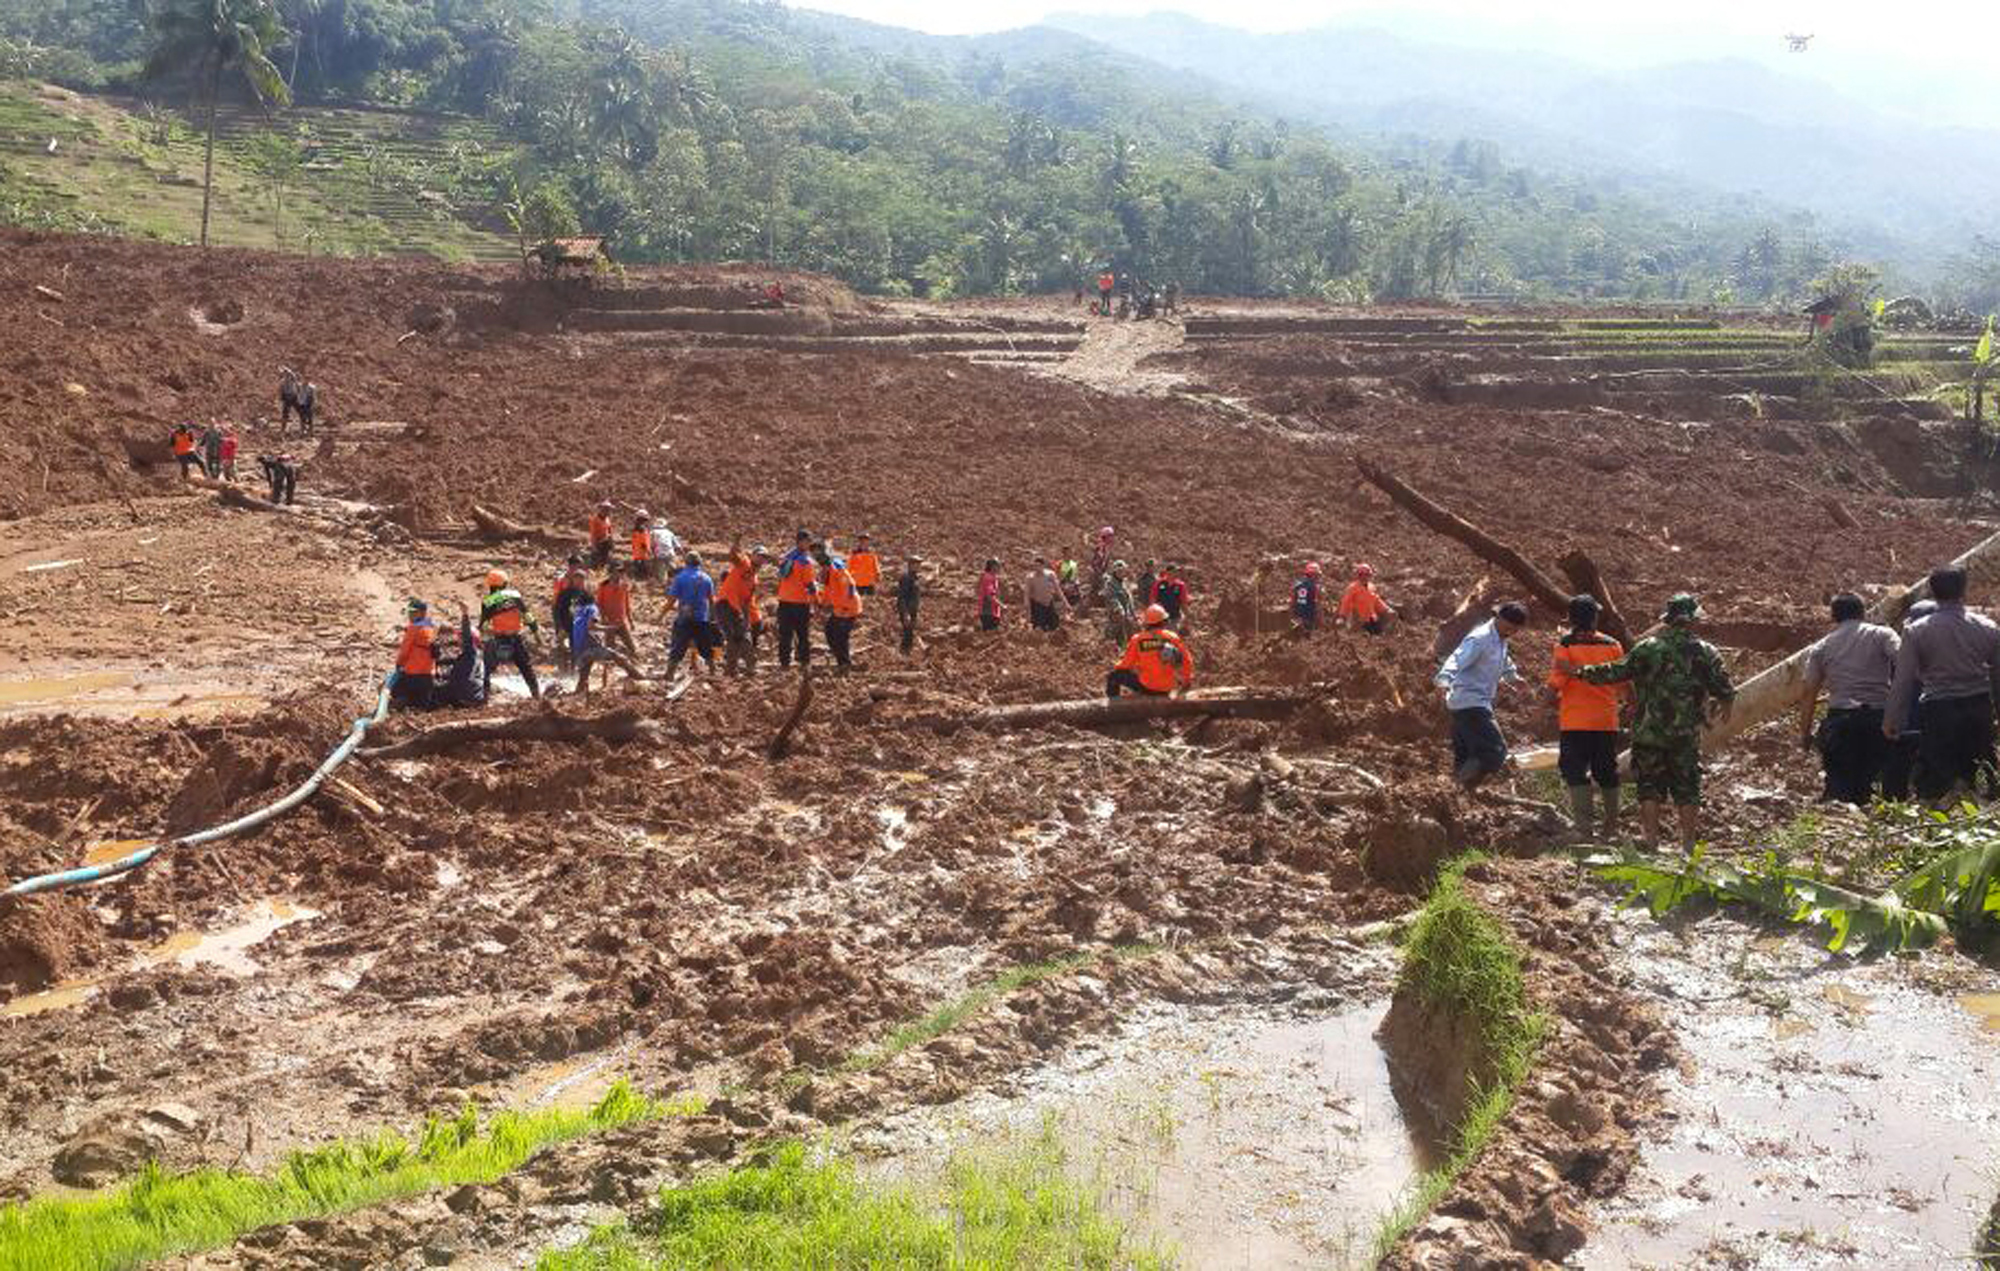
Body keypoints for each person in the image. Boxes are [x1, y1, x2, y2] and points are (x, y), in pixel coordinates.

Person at [1577, 594, 1736, 849]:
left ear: (1669, 621)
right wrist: (1725, 704)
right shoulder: (1706, 652)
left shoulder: (1648, 648)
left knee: (1649, 787)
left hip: (1649, 732)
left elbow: (1617, 671)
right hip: (1684, 735)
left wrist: (1582, 672)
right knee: (1687, 787)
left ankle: (1651, 842)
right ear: (1693, 621)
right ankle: (1687, 846)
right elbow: (1725, 688)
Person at [1884, 567, 2000, 805]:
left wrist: (1892, 719)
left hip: (1939, 710)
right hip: (1978, 708)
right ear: (1963, 590)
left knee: (1937, 778)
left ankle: (1938, 826)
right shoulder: (1987, 627)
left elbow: (1903, 680)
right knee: (1981, 774)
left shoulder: (1917, 630)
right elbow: (1997, 676)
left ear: (1932, 591)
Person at [1796, 593, 1900, 805]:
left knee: (1839, 792)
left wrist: (1805, 733)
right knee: (1875, 788)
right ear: (1863, 613)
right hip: (1878, 720)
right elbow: (1905, 662)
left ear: (1833, 616)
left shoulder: (1822, 647)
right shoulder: (1882, 635)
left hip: (1840, 722)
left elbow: (1808, 693)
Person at [1547, 594, 1626, 836]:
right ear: (1594, 618)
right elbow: (1622, 682)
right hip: (1605, 720)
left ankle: (1584, 828)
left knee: (1574, 770)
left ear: (1571, 619)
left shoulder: (1565, 645)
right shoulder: (1613, 645)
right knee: (1606, 772)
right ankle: (1611, 826)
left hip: (1574, 721)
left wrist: (1546, 702)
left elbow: (1556, 683)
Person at [1436, 601, 1529, 790]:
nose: (1511, 632)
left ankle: (1457, 800)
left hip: (1470, 703)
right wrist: (1444, 678)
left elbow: (1504, 661)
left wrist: (1513, 678)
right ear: (1499, 618)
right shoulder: (1480, 638)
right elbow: (1457, 657)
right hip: (1469, 702)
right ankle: (1455, 790)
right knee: (1495, 751)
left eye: (1515, 629)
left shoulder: (1500, 637)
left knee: (1468, 755)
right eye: (1509, 627)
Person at [1881, 599, 1937, 800]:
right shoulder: (1947, 649)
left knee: (1896, 778)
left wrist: (1889, 721)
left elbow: (1897, 688)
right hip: (1935, 725)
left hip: (1906, 727)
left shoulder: (1905, 651)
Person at [573, 583, 647, 698]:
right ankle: (639, 678)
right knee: (619, 657)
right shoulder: (593, 608)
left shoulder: (579, 611)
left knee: (583, 678)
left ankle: (576, 696)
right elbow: (591, 626)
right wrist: (609, 629)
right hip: (590, 647)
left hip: (579, 649)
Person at [1107, 604, 1195, 698]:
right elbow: (1187, 661)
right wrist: (1186, 681)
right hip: (1167, 688)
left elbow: (1126, 665)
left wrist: (1116, 665)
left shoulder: (1138, 639)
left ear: (1146, 623)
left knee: (1114, 675)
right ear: (1164, 621)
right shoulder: (1172, 637)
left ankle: (1115, 702)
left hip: (1147, 687)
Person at [479, 569, 541, 699]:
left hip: (499, 640)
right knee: (526, 668)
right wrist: (536, 633)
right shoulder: (515, 595)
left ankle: (484, 698)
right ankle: (536, 695)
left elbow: (484, 626)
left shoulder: (488, 601)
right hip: (516, 638)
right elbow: (528, 616)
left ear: (491, 585)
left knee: (487, 669)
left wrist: (485, 634)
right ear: (505, 583)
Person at [716, 539, 768, 676]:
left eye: (764, 557)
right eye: (759, 555)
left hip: (736, 608)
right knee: (743, 636)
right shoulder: (744, 563)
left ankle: (730, 669)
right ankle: (751, 665)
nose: (761, 559)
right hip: (726, 604)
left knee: (734, 638)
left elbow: (748, 600)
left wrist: (752, 618)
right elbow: (733, 556)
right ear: (753, 555)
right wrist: (736, 543)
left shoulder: (754, 579)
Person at [664, 552, 719, 680]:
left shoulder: (680, 578)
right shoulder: (707, 578)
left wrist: (661, 615)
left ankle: (669, 674)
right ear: (699, 563)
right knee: (706, 647)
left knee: (678, 646)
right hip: (702, 619)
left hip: (685, 618)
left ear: (686, 563)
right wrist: (712, 618)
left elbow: (671, 600)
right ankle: (713, 671)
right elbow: (711, 601)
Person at [774, 531, 819, 670]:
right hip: (800, 603)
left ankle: (784, 664)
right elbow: (810, 585)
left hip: (784, 601)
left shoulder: (787, 557)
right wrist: (816, 602)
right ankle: (804, 663)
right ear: (800, 542)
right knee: (802, 635)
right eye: (806, 541)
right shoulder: (805, 561)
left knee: (785, 635)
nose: (807, 544)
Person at [817, 542, 863, 671]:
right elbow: (827, 592)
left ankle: (844, 663)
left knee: (841, 636)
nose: (822, 569)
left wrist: (844, 607)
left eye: (824, 566)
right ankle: (840, 660)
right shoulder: (827, 574)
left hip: (849, 608)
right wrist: (822, 605)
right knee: (830, 631)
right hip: (839, 609)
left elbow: (848, 588)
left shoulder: (838, 570)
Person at [390, 598, 438, 711]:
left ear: (422, 613)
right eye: (409, 612)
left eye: (413, 612)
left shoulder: (413, 628)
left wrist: (399, 664)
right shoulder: (432, 627)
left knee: (397, 696)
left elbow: (404, 651)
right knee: (421, 708)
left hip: (412, 674)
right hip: (428, 675)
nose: (410, 615)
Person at [439, 607, 487, 708]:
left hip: (465, 697)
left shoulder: (471, 651)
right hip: (475, 697)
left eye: (460, 636)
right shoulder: (477, 655)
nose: (459, 639)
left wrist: (465, 615)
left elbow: (467, 636)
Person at [552, 557, 592, 671]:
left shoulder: (581, 578)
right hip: (561, 611)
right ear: (571, 566)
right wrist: (559, 622)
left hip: (575, 613)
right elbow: (558, 600)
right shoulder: (563, 579)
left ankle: (573, 668)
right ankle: (563, 668)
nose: (578, 568)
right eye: (577, 566)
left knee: (575, 642)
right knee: (562, 642)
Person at [595, 560, 639, 660]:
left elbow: (626, 603)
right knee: (609, 648)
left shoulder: (624, 585)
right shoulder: (603, 586)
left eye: (621, 571)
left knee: (631, 647)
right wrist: (603, 617)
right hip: (609, 622)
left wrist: (631, 621)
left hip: (621, 621)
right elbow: (599, 604)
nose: (620, 573)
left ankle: (637, 664)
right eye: (618, 571)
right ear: (611, 572)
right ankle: (608, 670)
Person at [1337, 564, 1395, 635]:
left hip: (1372, 619)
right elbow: (1346, 602)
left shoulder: (1371, 587)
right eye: (1363, 575)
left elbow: (1377, 601)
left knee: (1378, 637)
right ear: (1359, 575)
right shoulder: (1352, 588)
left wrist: (1387, 609)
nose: (1365, 577)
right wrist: (1342, 616)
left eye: (1367, 575)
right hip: (1358, 622)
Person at [1026, 557, 1067, 631]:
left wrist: (1066, 603)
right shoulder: (1030, 577)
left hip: (1049, 603)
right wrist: (1028, 609)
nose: (1036, 568)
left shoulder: (1050, 575)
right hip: (1038, 605)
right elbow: (1027, 594)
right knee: (1039, 628)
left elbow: (1058, 589)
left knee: (1054, 626)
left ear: (1043, 566)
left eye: (1038, 565)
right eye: (1035, 566)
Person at [1102, 560, 1136, 646]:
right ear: (1115, 572)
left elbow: (1129, 599)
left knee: (1128, 637)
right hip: (1116, 615)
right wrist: (1118, 608)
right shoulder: (1110, 584)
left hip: (1127, 615)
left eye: (1123, 570)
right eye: (1119, 571)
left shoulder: (1125, 583)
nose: (1121, 573)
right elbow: (1111, 598)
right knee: (1114, 637)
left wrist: (1133, 613)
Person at [895, 556, 922, 655]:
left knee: (910, 632)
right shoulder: (906, 578)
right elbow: (902, 597)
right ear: (910, 565)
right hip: (907, 610)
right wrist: (905, 613)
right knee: (907, 632)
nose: (918, 566)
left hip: (912, 610)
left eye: (919, 564)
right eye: (916, 564)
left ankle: (906, 653)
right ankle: (904, 652)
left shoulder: (915, 577)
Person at [1151, 564, 1189, 631]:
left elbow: (1183, 602)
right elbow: (1153, 599)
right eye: (1174, 571)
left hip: (1175, 616)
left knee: (1172, 636)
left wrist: (1187, 615)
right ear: (1167, 572)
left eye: (1176, 571)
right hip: (1161, 618)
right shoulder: (1159, 584)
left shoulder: (1180, 585)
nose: (1176, 573)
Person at [1291, 562, 1324, 635]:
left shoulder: (1297, 583)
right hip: (1309, 617)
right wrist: (1321, 622)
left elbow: (1292, 600)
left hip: (1297, 615)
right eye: (1317, 575)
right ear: (1314, 575)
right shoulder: (1315, 587)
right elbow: (1318, 605)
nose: (1318, 577)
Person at [1087, 526, 1116, 600]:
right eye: (1111, 536)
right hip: (1096, 575)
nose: (1112, 538)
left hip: (1101, 574)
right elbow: (1095, 564)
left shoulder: (1106, 548)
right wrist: (1101, 576)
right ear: (1106, 537)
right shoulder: (1101, 548)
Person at [629, 513, 658, 583]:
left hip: (636, 552)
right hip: (642, 553)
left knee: (638, 568)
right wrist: (649, 551)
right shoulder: (643, 530)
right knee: (643, 569)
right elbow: (644, 542)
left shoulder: (635, 530)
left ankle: (638, 582)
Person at [587, 501, 616, 568]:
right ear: (601, 509)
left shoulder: (607, 519)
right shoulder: (595, 520)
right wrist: (594, 545)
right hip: (598, 543)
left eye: (608, 510)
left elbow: (609, 531)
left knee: (605, 561)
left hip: (606, 543)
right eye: (606, 509)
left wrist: (612, 542)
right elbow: (593, 533)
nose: (607, 511)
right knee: (596, 562)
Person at [978, 558, 1004, 631]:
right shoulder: (988, 578)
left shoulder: (993, 577)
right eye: (997, 565)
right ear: (992, 567)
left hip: (992, 611)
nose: (999, 568)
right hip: (988, 611)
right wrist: (1001, 605)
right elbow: (989, 596)